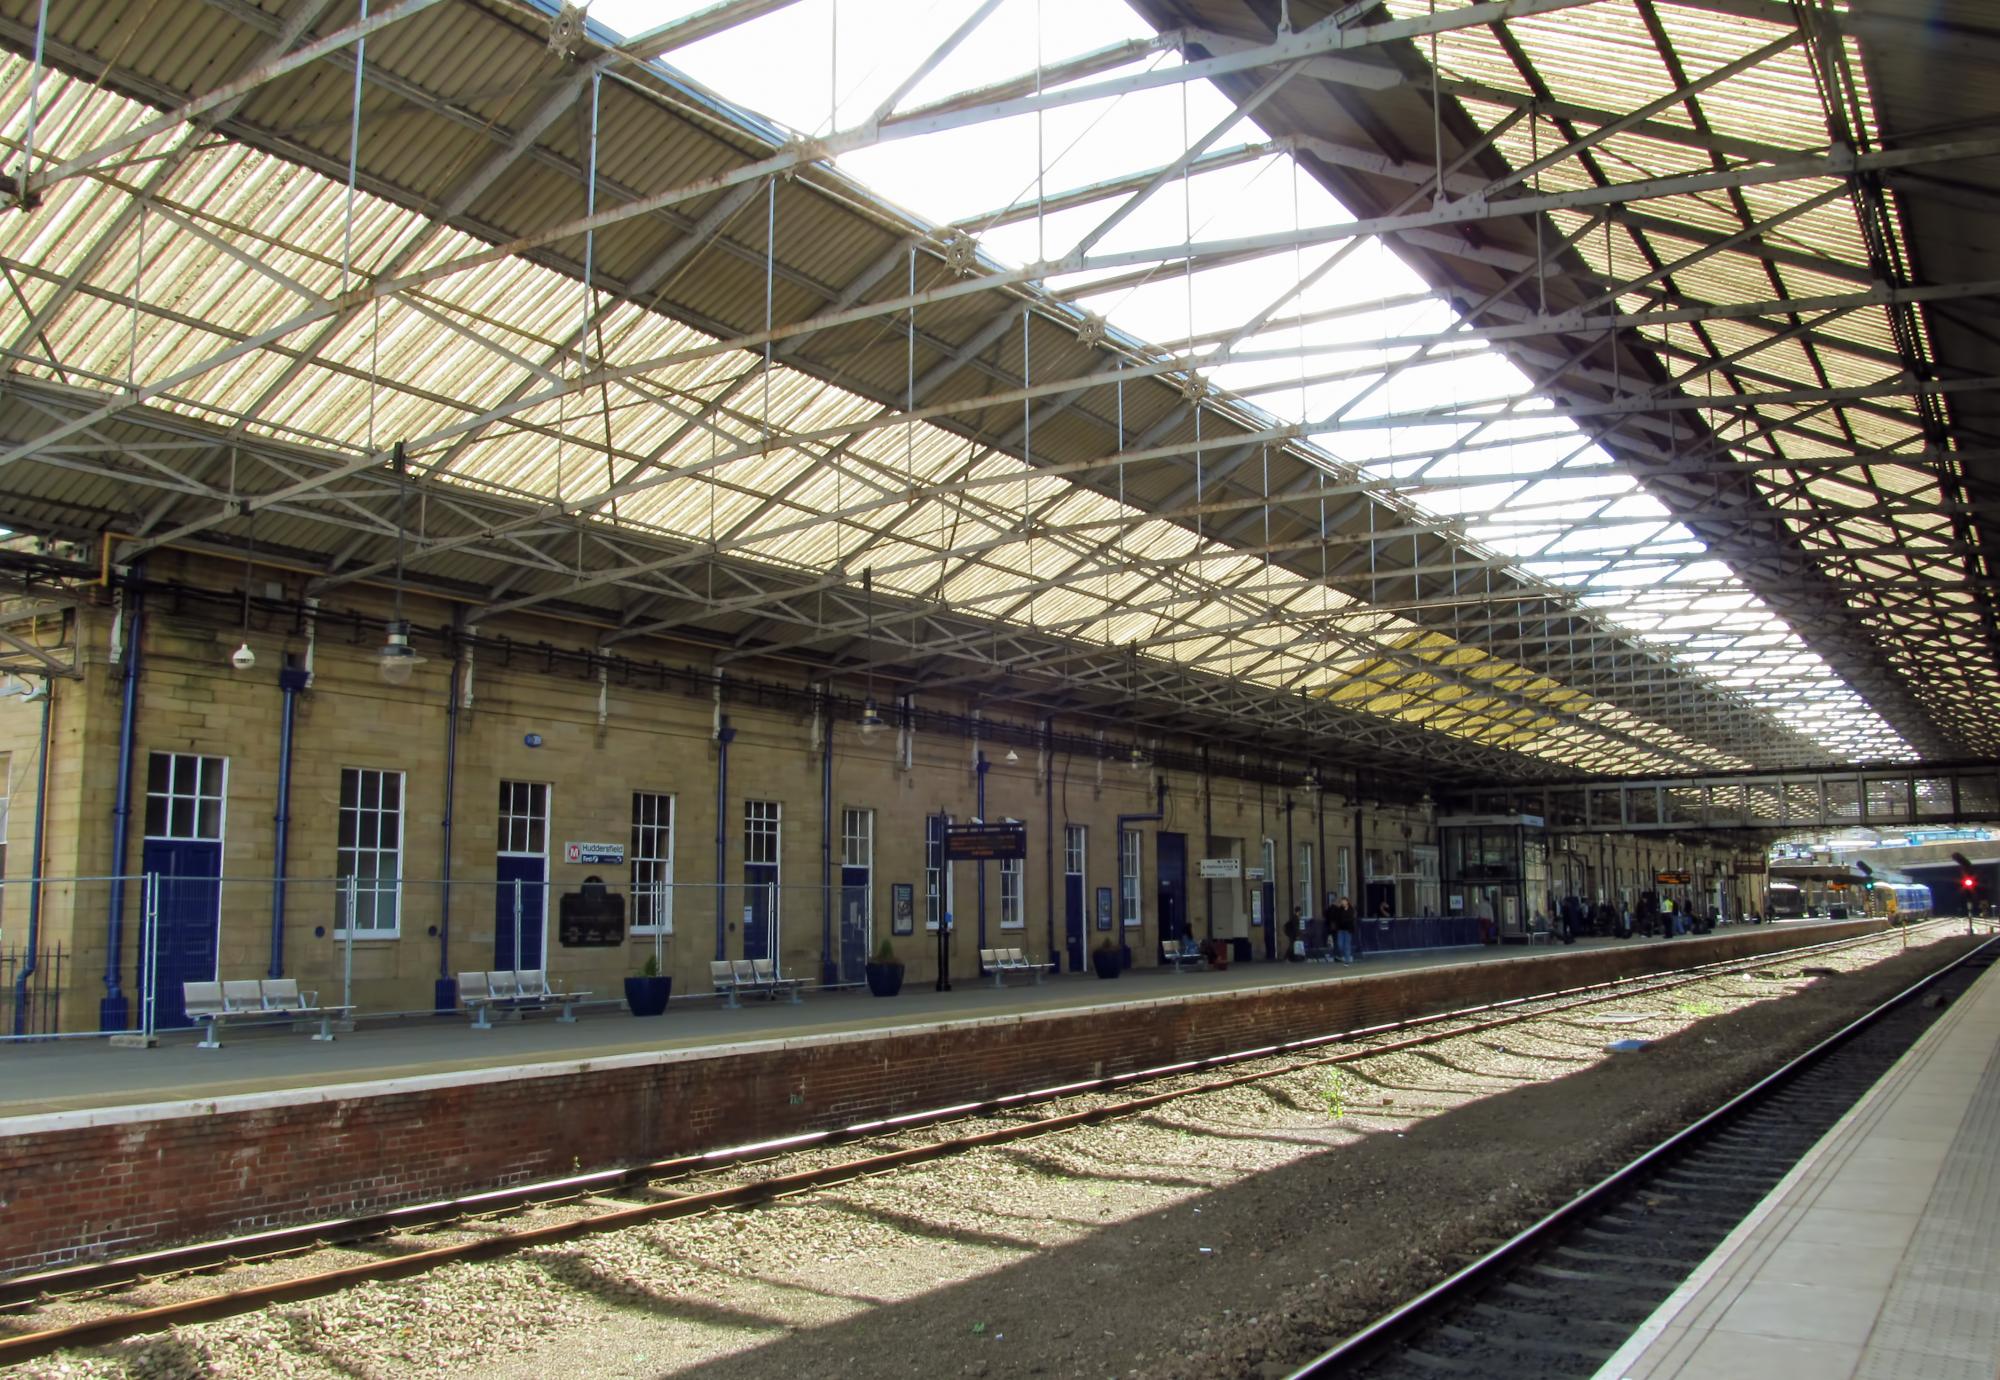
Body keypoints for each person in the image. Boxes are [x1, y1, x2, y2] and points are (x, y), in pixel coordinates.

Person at [1332, 894, 1357, 965]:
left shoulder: (1351, 909)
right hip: (1340, 929)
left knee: (1347, 945)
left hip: (1348, 930)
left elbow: (1350, 918)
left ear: (1347, 902)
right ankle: (1346, 956)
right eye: (1341, 901)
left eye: (1344, 901)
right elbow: (1335, 916)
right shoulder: (1340, 909)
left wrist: (1344, 921)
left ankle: (1347, 961)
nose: (1342, 903)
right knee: (1340, 945)